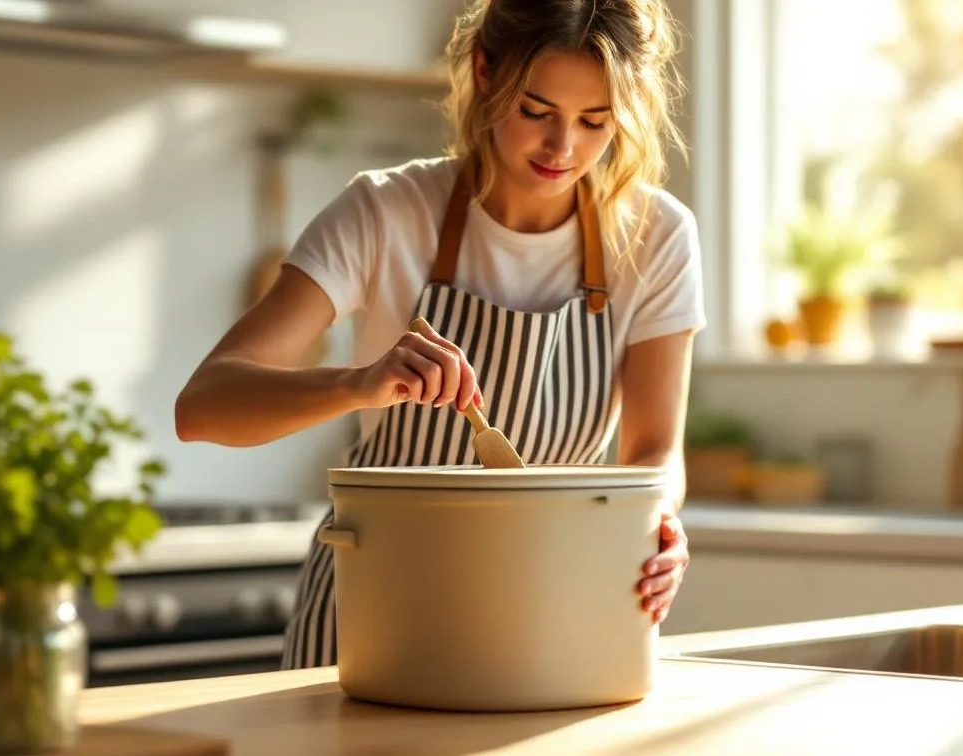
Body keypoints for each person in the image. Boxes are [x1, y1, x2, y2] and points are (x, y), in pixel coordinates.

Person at [175, 0, 705, 670]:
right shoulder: (385, 212)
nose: (562, 147)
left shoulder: (656, 237)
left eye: (595, 121)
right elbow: (202, 408)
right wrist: (357, 384)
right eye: (537, 111)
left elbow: (656, 448)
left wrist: (650, 523)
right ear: (484, 69)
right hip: (369, 616)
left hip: (548, 606)